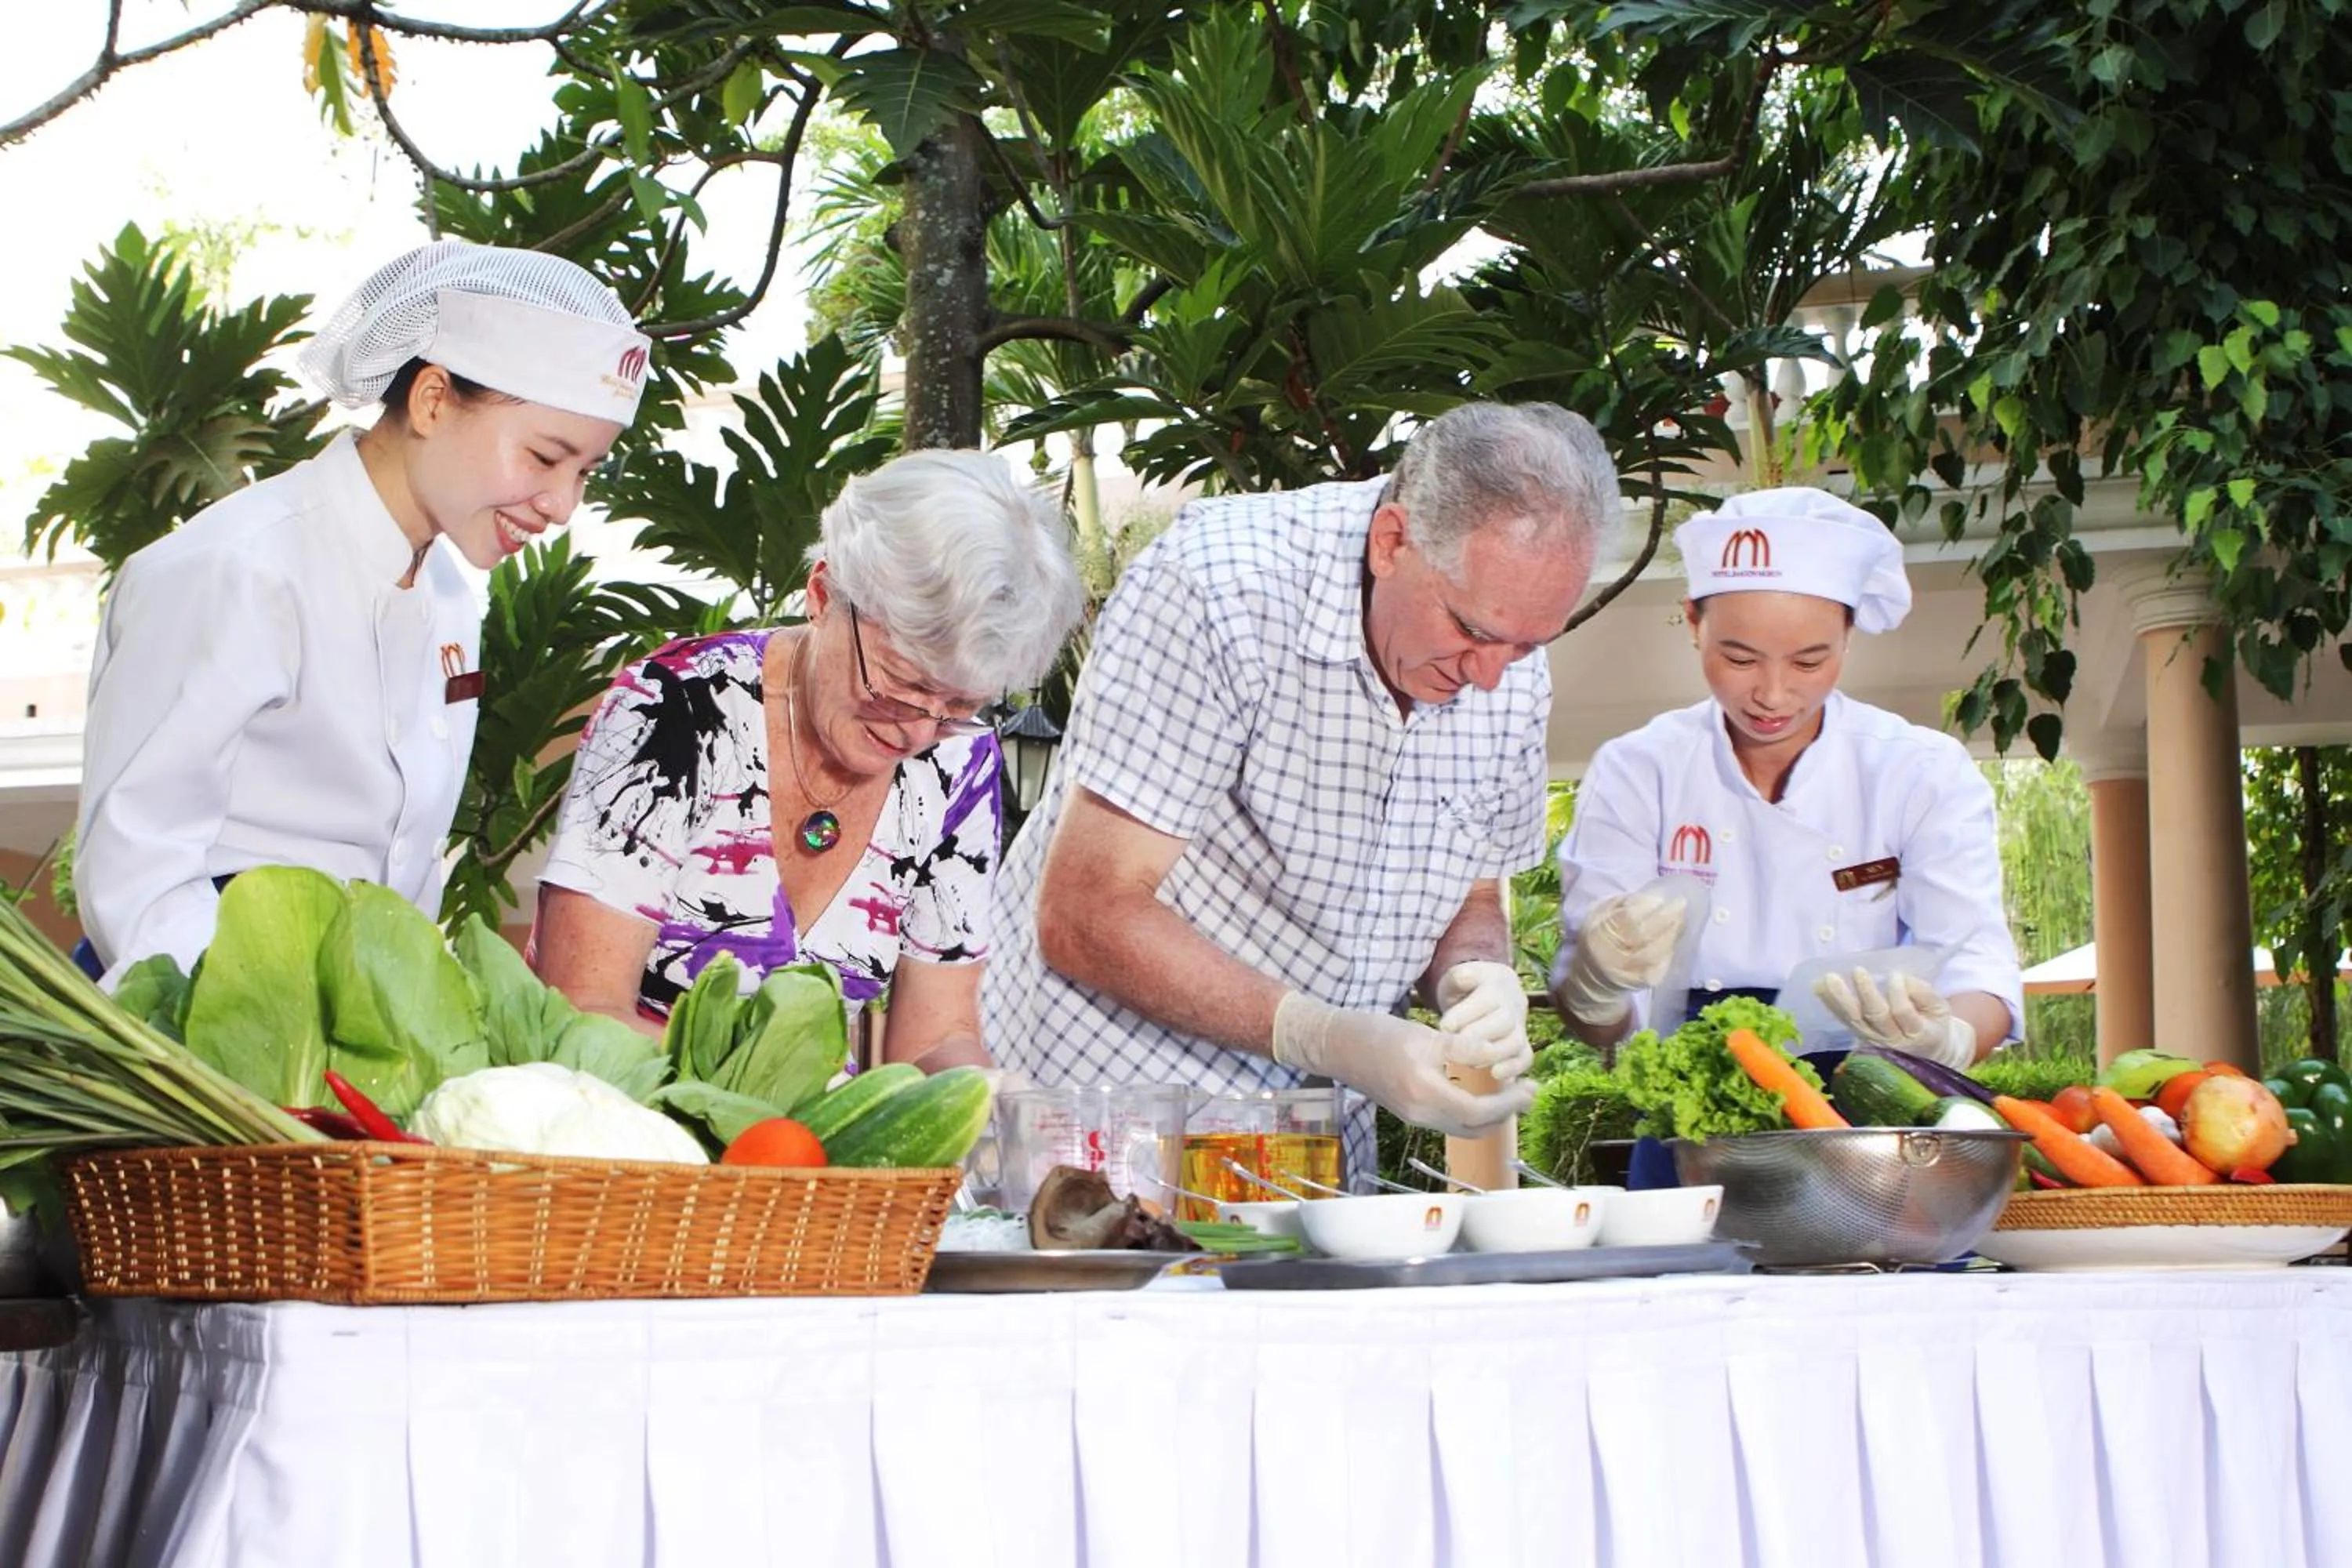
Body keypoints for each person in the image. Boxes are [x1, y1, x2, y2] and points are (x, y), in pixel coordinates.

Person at [979, 402, 1623, 1175]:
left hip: (1310, 1142)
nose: (1492, 674)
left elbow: (1472, 892)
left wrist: (1473, 977)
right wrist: (1323, 1032)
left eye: (1528, 643)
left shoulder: (1512, 666)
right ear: (1393, 541)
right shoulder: (1219, 585)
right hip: (1106, 1114)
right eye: (1474, 632)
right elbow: (1086, 908)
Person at [74, 241, 651, 986]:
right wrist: (273, 1028)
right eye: (545, 458)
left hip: (357, 1013)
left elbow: (403, 866)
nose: (562, 504)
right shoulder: (236, 570)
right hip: (202, 1010)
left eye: (585, 473)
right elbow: (136, 879)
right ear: (433, 400)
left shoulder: (447, 596)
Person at [532, 449, 1086, 1072]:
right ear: (823, 595)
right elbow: (581, 1010)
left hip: (813, 1152)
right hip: (626, 1135)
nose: (919, 731)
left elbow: (935, 1039)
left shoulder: (957, 759)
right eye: (899, 685)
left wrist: (997, 1106)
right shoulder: (675, 708)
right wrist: (782, 1107)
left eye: (959, 702)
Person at [1549, 486, 2023, 1067]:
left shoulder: (1920, 771)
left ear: (1848, 636)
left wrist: (1947, 1040)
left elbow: (1975, 962)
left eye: (1809, 661)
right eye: (1740, 659)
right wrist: (1597, 989)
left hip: (1865, 1085)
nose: (1772, 695)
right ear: (1694, 621)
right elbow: (1598, 1021)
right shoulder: (1639, 770)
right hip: (1687, 1091)